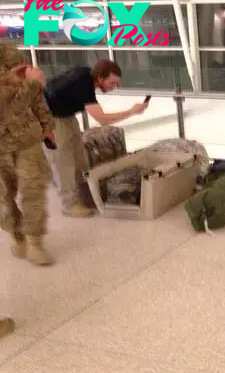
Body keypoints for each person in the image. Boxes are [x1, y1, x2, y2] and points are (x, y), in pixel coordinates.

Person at [43, 60, 148, 217]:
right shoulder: (83, 83)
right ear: (100, 77)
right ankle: (69, 204)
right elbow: (103, 120)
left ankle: (86, 195)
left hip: (66, 115)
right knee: (62, 160)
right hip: (50, 119)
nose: (114, 87)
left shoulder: (86, 76)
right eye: (112, 83)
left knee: (79, 157)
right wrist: (132, 111)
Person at [0, 42, 56, 266]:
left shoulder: (10, 52)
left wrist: (47, 124)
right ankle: (17, 235)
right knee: (3, 198)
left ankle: (35, 241)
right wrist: (31, 84)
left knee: (34, 186)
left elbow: (35, 96)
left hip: (26, 138)